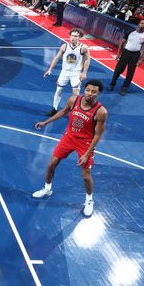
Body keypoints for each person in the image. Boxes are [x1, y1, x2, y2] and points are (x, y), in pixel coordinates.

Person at [32, 79, 108, 217]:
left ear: (98, 94)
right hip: (69, 137)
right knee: (51, 164)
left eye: (94, 92)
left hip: (85, 143)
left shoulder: (101, 112)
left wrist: (86, 154)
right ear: (85, 89)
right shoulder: (74, 100)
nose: (90, 93)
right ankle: (47, 189)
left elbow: (97, 135)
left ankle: (89, 200)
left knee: (86, 176)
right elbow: (63, 112)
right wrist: (45, 122)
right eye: (88, 90)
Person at [44, 28, 90, 116]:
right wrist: (50, 69)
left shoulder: (83, 48)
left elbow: (87, 59)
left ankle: (74, 111)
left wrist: (84, 72)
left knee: (75, 93)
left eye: (75, 36)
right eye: (72, 35)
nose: (73, 38)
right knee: (59, 90)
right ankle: (54, 108)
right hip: (64, 72)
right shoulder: (64, 46)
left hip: (76, 73)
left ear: (79, 37)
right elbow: (56, 58)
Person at [109, 19, 144, 95]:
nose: (143, 25)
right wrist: (118, 54)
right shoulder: (130, 32)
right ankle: (112, 83)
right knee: (119, 69)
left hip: (135, 55)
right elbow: (121, 42)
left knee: (130, 72)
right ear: (139, 23)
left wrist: (141, 59)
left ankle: (124, 88)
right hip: (125, 53)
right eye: (142, 23)